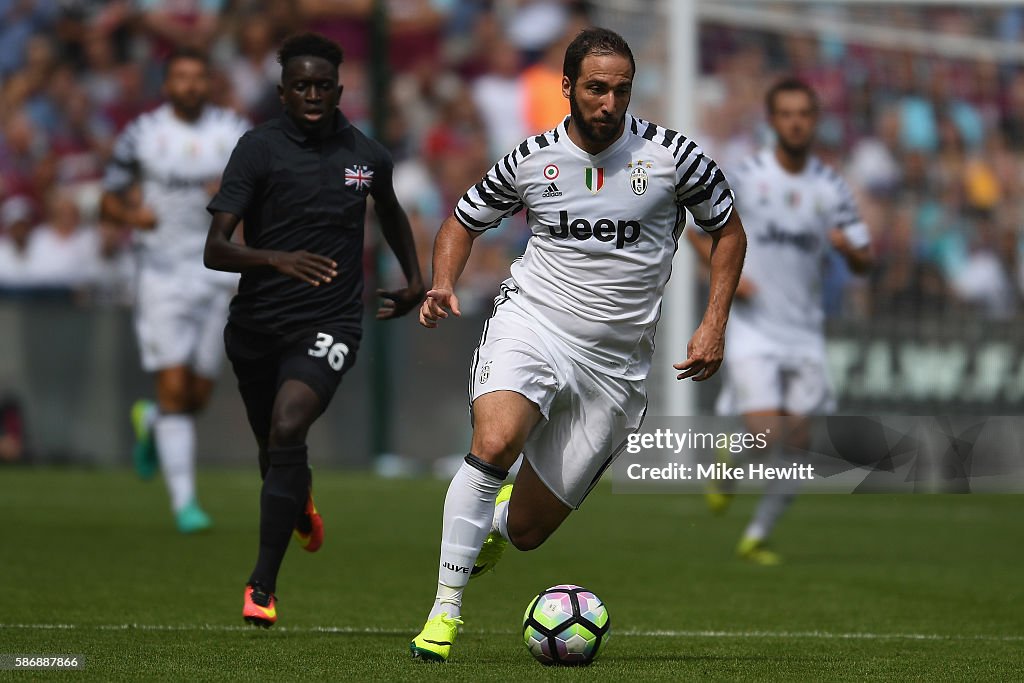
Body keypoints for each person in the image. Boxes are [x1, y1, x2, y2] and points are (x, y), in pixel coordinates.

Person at [409, 27, 747, 662]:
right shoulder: (531, 159)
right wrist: (444, 282)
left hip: (615, 367)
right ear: (566, 86)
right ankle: (444, 612)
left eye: (621, 90)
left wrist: (713, 322)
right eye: (596, 89)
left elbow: (727, 229)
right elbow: (462, 220)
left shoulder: (673, 157)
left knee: (528, 531)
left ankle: (495, 525)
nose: (609, 103)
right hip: (533, 324)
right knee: (493, 444)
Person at [203, 32, 424, 628]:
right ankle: (297, 498)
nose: (312, 94)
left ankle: (262, 586)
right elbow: (215, 249)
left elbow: (391, 211)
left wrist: (414, 280)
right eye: (300, 85)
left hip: (331, 321)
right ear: (282, 92)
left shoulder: (366, 156)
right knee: (274, 451)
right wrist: (275, 258)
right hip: (256, 326)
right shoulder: (257, 150)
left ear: (339, 90)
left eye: (322, 85)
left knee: (288, 424)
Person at [687, 77, 873, 565]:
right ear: (772, 121)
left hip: (805, 331)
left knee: (800, 441)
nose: (795, 123)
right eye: (786, 114)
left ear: (815, 122)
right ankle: (730, 457)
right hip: (754, 327)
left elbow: (865, 260)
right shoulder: (747, 176)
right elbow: (695, 231)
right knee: (768, 433)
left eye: (804, 114)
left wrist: (849, 250)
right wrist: (730, 280)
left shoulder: (830, 187)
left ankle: (757, 535)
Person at [100, 47, 250, 534]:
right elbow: (107, 200)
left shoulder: (233, 132)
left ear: (209, 83)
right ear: (166, 84)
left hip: (217, 272)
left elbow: (263, 192)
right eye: (180, 77)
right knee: (173, 386)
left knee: (196, 395)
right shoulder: (142, 134)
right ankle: (186, 504)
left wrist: (235, 201)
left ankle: (151, 421)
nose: (189, 85)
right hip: (161, 272)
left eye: (197, 76)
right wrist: (131, 214)